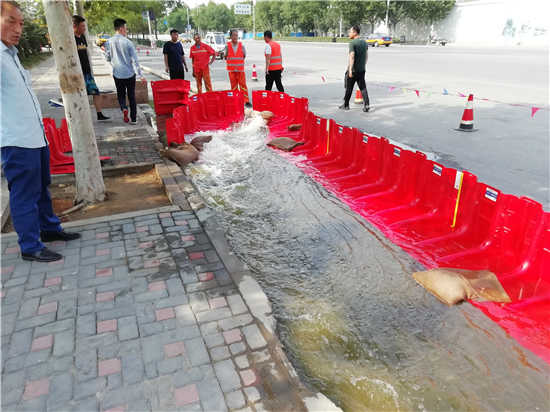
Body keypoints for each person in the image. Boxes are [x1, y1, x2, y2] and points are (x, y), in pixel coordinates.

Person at [1, 1, 80, 262]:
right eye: (10, 21)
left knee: (43, 187)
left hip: (35, 136)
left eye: (21, 23)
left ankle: (49, 229)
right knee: (24, 193)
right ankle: (30, 246)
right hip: (16, 140)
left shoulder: (10, 55)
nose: (18, 29)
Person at [104, 18, 146, 124]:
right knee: (131, 96)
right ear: (122, 28)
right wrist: (140, 75)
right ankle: (134, 119)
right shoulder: (128, 42)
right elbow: (135, 61)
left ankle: (123, 108)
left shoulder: (109, 42)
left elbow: (108, 58)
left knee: (121, 94)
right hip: (129, 74)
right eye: (126, 29)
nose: (126, 31)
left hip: (117, 74)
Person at [72, 15, 110, 121]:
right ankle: (82, 117)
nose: (84, 28)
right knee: (80, 96)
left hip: (87, 72)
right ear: (75, 26)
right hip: (78, 74)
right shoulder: (71, 39)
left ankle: (99, 114)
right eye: (82, 26)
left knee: (96, 93)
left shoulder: (82, 37)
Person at [340, 25, 370, 112]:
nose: (349, 33)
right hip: (362, 70)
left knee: (349, 88)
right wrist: (363, 65)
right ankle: (367, 105)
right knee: (363, 87)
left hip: (353, 70)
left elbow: (352, 56)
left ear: (355, 32)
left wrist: (350, 69)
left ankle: (346, 105)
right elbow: (366, 56)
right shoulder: (364, 42)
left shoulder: (353, 43)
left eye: (350, 32)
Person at [224, 29, 251, 107]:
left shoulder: (242, 46)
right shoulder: (227, 46)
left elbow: (244, 56)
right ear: (230, 36)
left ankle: (246, 101)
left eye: (236, 35)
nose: (235, 37)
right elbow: (225, 57)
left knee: (243, 85)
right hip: (231, 70)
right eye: (234, 35)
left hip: (240, 70)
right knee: (234, 86)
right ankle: (236, 100)